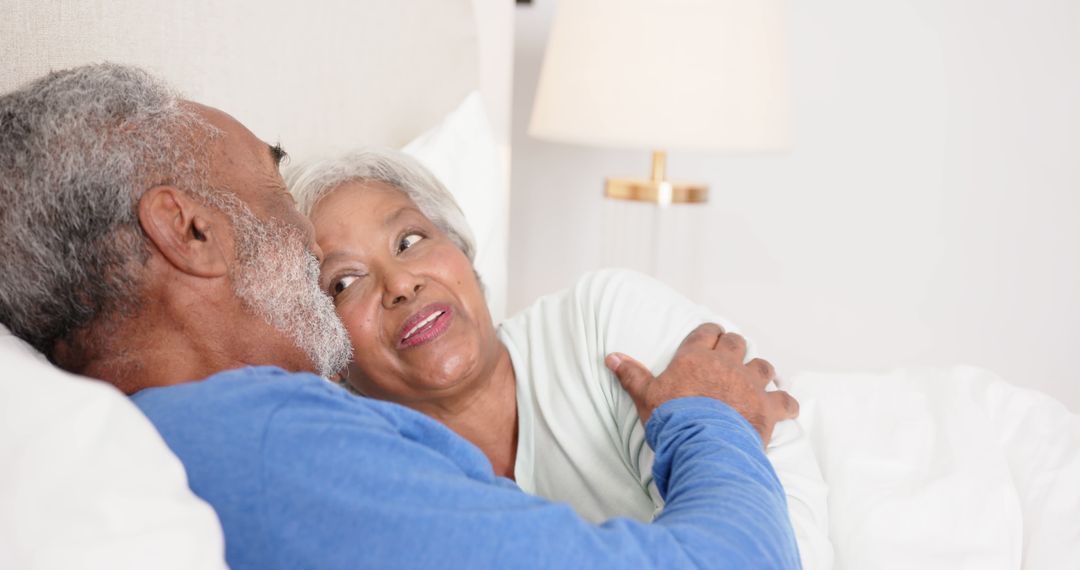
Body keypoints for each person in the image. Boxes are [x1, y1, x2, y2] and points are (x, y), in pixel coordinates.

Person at [0, 63, 801, 569]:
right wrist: (709, 417)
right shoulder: (271, 446)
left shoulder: (182, 434)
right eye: (274, 187)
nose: (389, 284)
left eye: (413, 240)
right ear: (192, 231)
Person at [287, 150, 832, 569]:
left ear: (464, 257)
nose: (400, 282)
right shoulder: (372, 483)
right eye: (345, 282)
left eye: (409, 240)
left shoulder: (602, 321)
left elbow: (786, 532)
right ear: (331, 358)